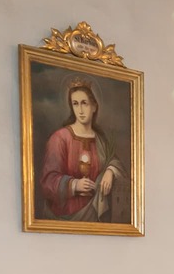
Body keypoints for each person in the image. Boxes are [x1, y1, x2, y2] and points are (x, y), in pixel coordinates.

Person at [41, 80, 127, 222]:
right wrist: (74, 185)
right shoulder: (60, 138)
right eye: (75, 104)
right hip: (65, 216)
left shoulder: (100, 140)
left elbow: (113, 160)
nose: (80, 110)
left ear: (94, 106)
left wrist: (110, 171)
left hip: (95, 215)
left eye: (84, 103)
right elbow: (47, 181)